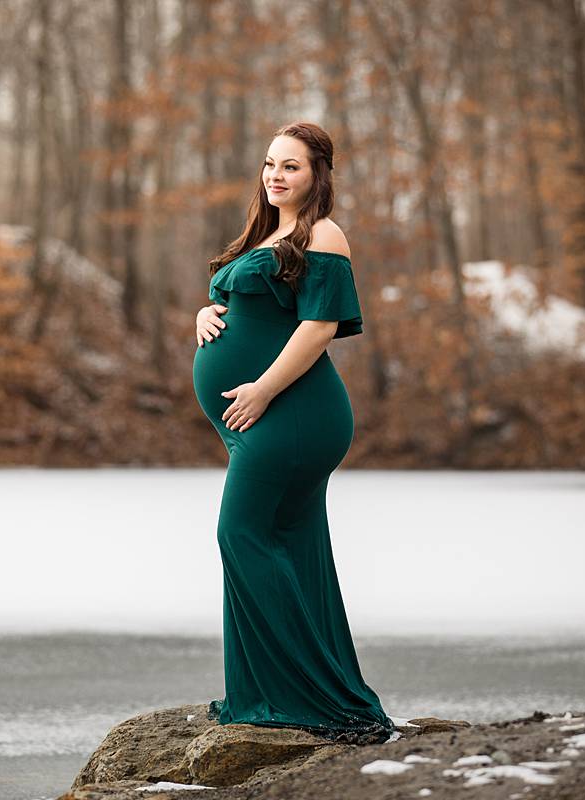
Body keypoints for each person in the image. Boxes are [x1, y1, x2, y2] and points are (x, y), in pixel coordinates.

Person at [191, 121, 395, 745]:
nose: (276, 176)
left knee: (242, 533)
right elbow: (249, 305)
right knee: (287, 544)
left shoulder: (325, 234)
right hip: (264, 418)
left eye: (292, 167)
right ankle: (274, 693)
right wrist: (205, 311)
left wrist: (262, 389)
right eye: (270, 164)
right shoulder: (268, 232)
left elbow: (317, 328)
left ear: (317, 175)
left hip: (293, 414)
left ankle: (310, 697)